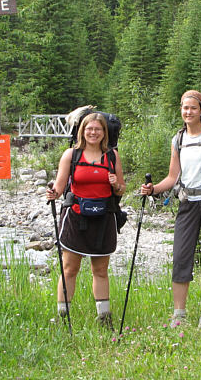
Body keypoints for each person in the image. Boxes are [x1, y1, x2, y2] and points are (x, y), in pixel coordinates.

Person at [140, 90, 201, 328]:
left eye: (193, 108)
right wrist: (153, 189)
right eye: (185, 108)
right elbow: (173, 177)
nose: (188, 112)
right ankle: (179, 313)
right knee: (181, 257)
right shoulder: (178, 139)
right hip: (187, 203)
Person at [46, 113, 125, 329]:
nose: (93, 133)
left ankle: (104, 319)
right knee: (69, 268)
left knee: (100, 270)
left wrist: (115, 183)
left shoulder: (112, 157)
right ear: (82, 131)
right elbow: (60, 187)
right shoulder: (70, 155)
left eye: (98, 130)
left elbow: (121, 189)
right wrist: (53, 193)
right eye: (89, 129)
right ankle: (63, 318)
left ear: (104, 133)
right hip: (75, 217)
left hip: (104, 218)